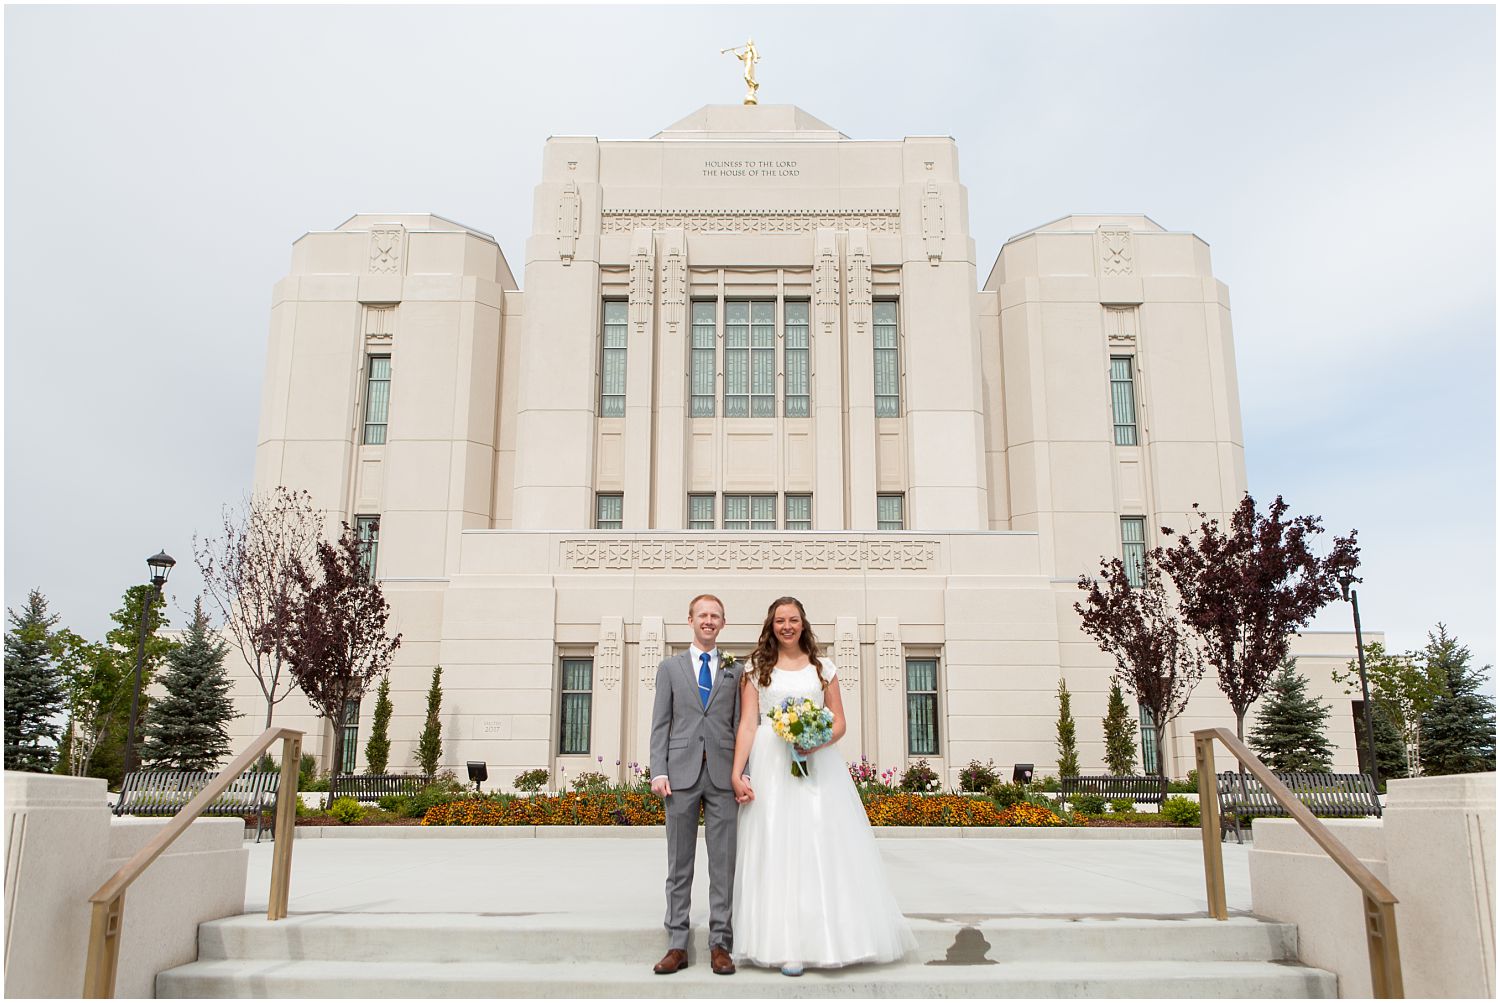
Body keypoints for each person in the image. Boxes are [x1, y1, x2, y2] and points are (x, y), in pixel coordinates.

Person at [730, 596, 916, 975]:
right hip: (771, 765)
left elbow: (840, 723)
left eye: (793, 619)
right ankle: (783, 944)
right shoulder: (755, 669)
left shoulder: (823, 668)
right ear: (771, 625)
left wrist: (816, 740)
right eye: (780, 620)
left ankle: (830, 938)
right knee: (776, 846)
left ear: (803, 624)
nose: (787, 626)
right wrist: (738, 772)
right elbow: (748, 723)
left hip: (817, 764)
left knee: (819, 844)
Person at [648, 594, 745, 976]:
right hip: (681, 775)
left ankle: (721, 943)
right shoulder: (670, 668)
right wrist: (659, 770)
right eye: (702, 615)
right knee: (679, 865)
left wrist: (744, 771)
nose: (708, 621)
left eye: (715, 616)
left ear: (723, 623)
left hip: (723, 777)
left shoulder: (735, 670)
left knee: (723, 865)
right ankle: (677, 944)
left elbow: (741, 726)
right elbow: (661, 723)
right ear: (690, 620)